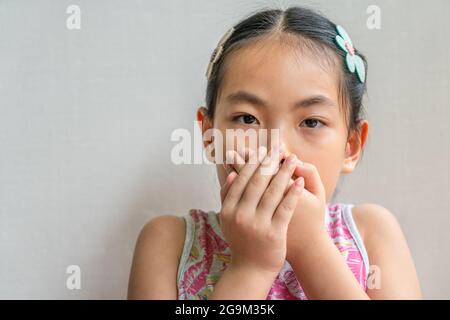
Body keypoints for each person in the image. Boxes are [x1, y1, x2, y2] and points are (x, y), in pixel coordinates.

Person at [127, 6, 422, 300]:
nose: (276, 150)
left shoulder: (372, 232)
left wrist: (310, 248)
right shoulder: (168, 242)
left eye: (311, 122)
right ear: (209, 135)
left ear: (351, 146)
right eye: (247, 119)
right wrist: (251, 266)